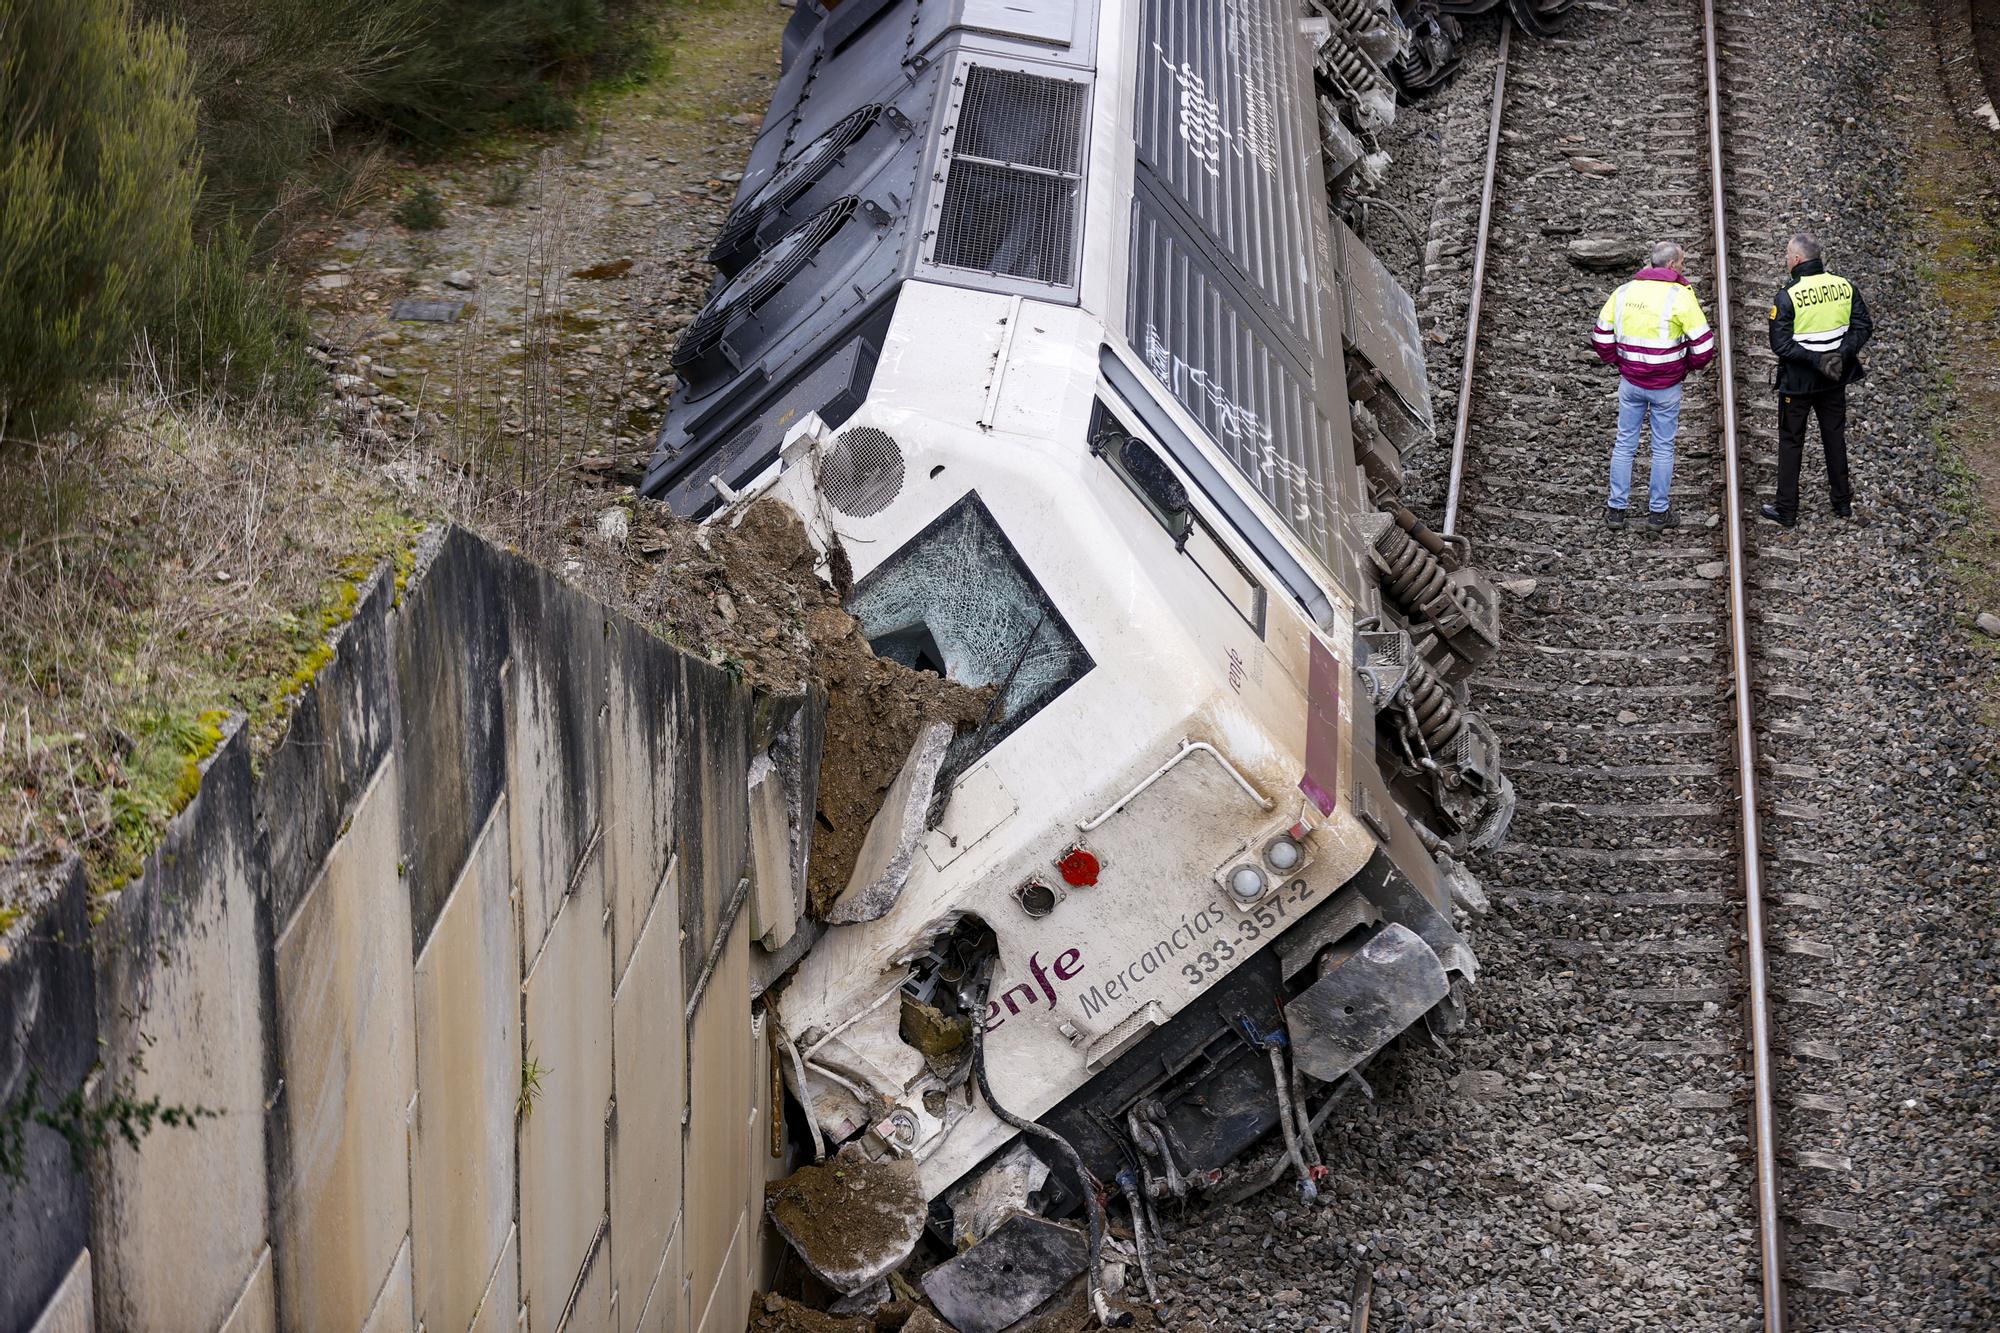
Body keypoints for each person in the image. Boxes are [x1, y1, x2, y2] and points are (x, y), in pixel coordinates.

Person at [1589, 241, 1716, 530]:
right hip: (1666, 386)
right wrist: (1685, 367)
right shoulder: (1679, 296)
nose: (1683, 267)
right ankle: (1658, 513)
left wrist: (1620, 362)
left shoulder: (1623, 292)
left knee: (1624, 443)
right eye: (1682, 263)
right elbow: (1704, 345)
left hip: (1631, 382)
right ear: (1672, 266)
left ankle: (1616, 510)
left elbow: (1600, 336)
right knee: (1662, 447)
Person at [1759, 231, 1872, 528]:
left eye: (1786, 255)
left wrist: (1815, 359)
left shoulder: (1787, 296)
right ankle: (1842, 503)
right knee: (1834, 436)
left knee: (1791, 441)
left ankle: (1787, 510)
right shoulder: (1844, 286)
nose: (1786, 260)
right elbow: (1863, 325)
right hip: (1835, 379)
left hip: (1798, 383)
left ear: (1797, 259)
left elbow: (1780, 344)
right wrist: (1840, 354)